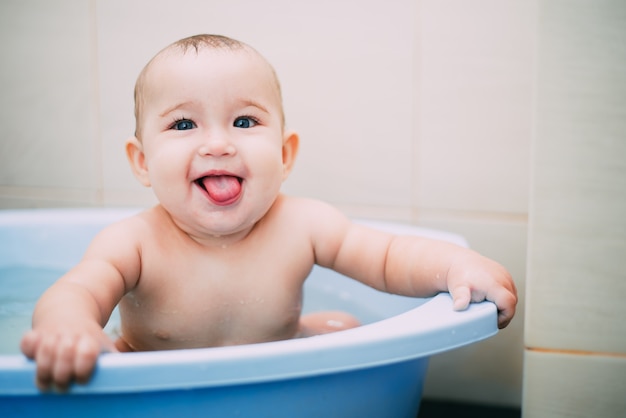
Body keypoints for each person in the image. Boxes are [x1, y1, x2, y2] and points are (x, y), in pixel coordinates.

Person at [20, 34, 517, 392]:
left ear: (284, 154)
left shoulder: (303, 225)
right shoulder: (133, 243)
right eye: (184, 124)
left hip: (277, 370)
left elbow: (387, 257)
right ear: (143, 162)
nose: (217, 143)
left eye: (244, 120)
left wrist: (454, 265)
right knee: (101, 366)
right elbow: (77, 290)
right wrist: (70, 328)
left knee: (340, 327)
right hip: (156, 382)